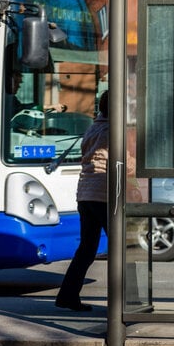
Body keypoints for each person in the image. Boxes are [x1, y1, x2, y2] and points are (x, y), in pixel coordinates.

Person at [56, 90, 110, 311]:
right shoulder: (110, 130)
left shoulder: (94, 127)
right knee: (120, 250)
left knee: (86, 249)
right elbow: (121, 161)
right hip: (103, 194)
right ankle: (120, 301)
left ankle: (67, 296)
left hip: (86, 194)